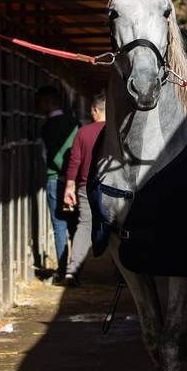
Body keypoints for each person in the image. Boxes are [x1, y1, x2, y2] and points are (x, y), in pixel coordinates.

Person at [60, 92, 107, 284]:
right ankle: (124, 274)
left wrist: (69, 185)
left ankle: (72, 271)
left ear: (95, 110)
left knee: (85, 225)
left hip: (86, 186)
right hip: (112, 187)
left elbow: (75, 160)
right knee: (118, 228)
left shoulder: (83, 132)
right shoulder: (116, 130)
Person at [37, 86, 79, 281]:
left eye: (41, 102)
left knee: (59, 225)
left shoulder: (48, 126)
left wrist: (63, 174)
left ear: (48, 101)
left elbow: (54, 154)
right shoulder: (74, 122)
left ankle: (62, 270)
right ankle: (75, 268)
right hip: (75, 181)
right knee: (75, 226)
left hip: (56, 178)